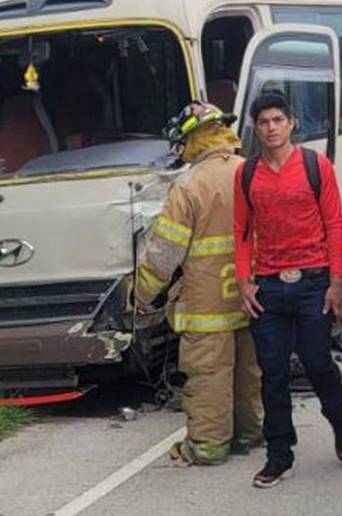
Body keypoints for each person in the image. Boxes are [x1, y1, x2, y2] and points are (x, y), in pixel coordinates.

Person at [234, 90, 342, 489]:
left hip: (313, 283)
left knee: (317, 363)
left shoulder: (316, 166)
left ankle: (341, 424)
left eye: (277, 120)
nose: (271, 128)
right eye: (263, 122)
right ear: (255, 128)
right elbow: (242, 230)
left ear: (291, 124)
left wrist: (336, 281)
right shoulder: (246, 174)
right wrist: (244, 281)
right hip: (268, 287)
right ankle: (279, 455)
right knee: (272, 374)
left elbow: (334, 224)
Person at [134, 102, 263, 466]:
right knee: (248, 369)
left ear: (192, 139)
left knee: (209, 373)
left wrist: (142, 294)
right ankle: (249, 433)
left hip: (207, 303)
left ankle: (208, 445)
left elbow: (165, 252)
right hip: (252, 295)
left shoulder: (189, 185)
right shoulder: (250, 171)